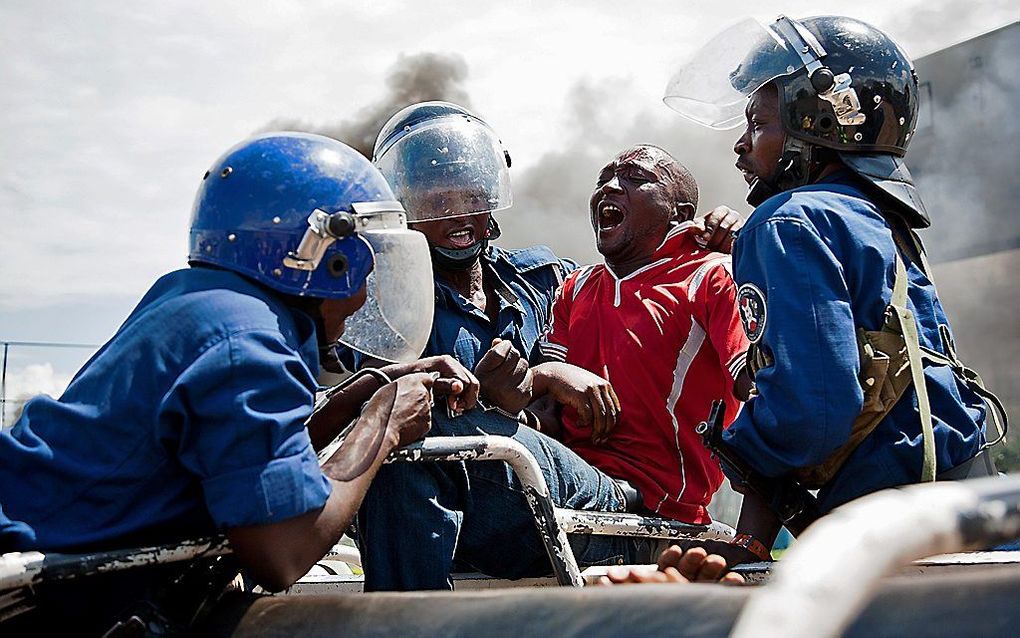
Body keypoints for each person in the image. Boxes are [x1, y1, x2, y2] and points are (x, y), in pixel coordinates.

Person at [0, 132, 443, 632]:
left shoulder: (206, 304)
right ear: (330, 260)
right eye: (365, 270)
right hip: (31, 601)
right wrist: (383, 426)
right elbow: (283, 550)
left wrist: (356, 399)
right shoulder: (250, 344)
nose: (364, 296)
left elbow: (241, 462)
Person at [345, 101, 748, 590]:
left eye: (467, 187)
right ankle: (405, 618)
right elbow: (384, 402)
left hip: (609, 495)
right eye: (432, 194)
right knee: (405, 425)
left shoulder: (549, 280)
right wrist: (537, 383)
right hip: (509, 487)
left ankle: (404, 617)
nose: (455, 207)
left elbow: (754, 382)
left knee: (422, 432)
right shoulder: (388, 302)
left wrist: (737, 250)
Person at [661, 14, 1006, 557]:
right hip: (967, 502)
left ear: (817, 123)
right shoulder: (872, 217)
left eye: (758, 124)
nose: (741, 146)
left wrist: (741, 449)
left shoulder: (787, 220)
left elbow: (810, 410)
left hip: (896, 528)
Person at [538, 144, 752, 527]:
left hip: (651, 504)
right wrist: (529, 381)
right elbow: (546, 417)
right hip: (572, 484)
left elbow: (757, 388)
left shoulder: (713, 276)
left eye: (637, 179)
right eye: (604, 179)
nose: (611, 187)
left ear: (680, 215)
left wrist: (759, 255)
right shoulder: (576, 286)